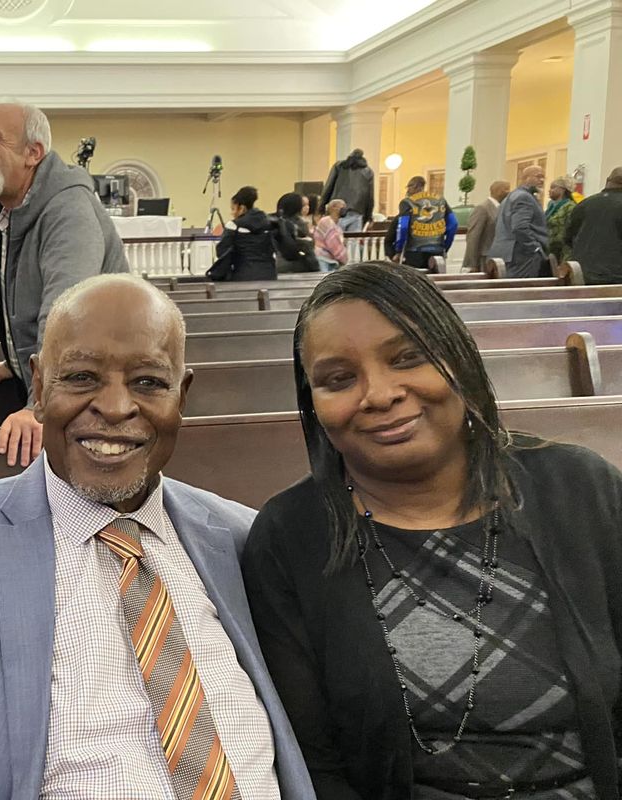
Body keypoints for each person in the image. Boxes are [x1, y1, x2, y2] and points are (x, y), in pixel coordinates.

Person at [0, 273, 313, 800]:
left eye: (148, 382)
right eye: (80, 377)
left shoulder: (247, 541)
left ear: (181, 394)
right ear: (37, 384)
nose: (117, 407)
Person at [242, 261, 621, 799]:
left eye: (408, 358)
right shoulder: (292, 537)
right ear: (314, 403)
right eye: (338, 379)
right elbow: (316, 764)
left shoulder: (581, 489)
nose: (379, 393)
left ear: (458, 361)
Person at [0, 102, 128, 468]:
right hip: (72, 387)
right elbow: (22, 296)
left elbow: (67, 318)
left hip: (97, 400)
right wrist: (18, 356)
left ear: (33, 153)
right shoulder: (9, 210)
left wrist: (35, 408)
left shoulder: (67, 209)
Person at [487, 165, 549, 278]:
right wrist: (535, 248)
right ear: (525, 178)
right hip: (521, 255)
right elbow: (520, 227)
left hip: (507, 253)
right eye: (538, 176)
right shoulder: (524, 197)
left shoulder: (510, 197)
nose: (542, 180)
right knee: (523, 291)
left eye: (543, 177)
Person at [207, 185, 278, 282]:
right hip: (269, 274)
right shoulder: (269, 223)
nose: (232, 213)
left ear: (242, 208)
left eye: (233, 209)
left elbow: (221, 250)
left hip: (243, 275)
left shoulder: (234, 225)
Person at [567, 165, 622, 285]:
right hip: (616, 278)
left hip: (582, 274)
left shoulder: (584, 204)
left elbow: (568, 238)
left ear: (608, 180)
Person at [394, 175, 458, 271]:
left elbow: (403, 227)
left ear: (414, 187)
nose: (407, 191)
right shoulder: (441, 200)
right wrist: (445, 246)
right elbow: (453, 224)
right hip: (437, 249)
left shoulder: (407, 202)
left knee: (415, 282)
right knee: (437, 281)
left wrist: (399, 249)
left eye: (408, 188)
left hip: (414, 251)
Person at [321, 149, 374, 233]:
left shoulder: (339, 166)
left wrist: (321, 207)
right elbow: (370, 196)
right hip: (357, 211)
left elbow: (328, 186)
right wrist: (368, 217)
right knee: (353, 243)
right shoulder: (368, 172)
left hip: (337, 210)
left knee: (334, 239)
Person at [462, 180, 510, 271]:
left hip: (496, 256)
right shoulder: (482, 208)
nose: (509, 193)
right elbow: (473, 236)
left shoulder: (501, 208)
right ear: (499, 191)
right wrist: (473, 264)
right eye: (507, 189)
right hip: (484, 257)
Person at [273, 192, 320, 273]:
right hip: (295, 265)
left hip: (274, 265)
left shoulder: (273, 220)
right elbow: (307, 247)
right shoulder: (298, 224)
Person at [544, 175, 577, 265]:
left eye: (553, 187)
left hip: (562, 250)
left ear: (562, 189)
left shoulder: (570, 206)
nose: (549, 190)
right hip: (548, 249)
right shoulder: (550, 206)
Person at [313, 199, 349, 271]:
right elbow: (333, 244)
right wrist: (344, 258)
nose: (345, 209)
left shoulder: (336, 225)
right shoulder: (326, 222)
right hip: (323, 259)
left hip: (330, 260)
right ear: (333, 207)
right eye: (342, 207)